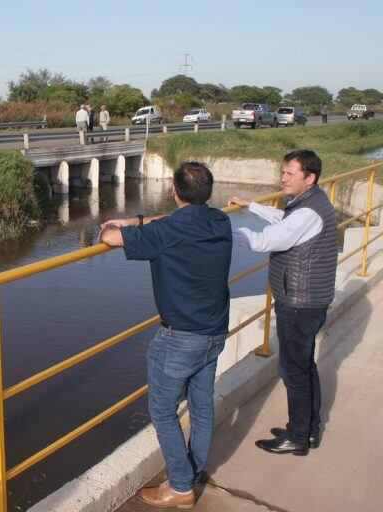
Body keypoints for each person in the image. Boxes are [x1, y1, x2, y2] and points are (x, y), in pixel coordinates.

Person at [100, 162, 232, 508]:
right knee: (202, 407)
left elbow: (109, 238)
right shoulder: (221, 220)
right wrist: (138, 221)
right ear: (208, 192)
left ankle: (180, 486)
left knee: (162, 412)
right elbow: (172, 223)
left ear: (175, 193)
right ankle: (192, 472)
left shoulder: (168, 231)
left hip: (180, 338)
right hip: (215, 331)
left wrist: (120, 226)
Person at [229, 149, 337, 456]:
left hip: (299, 304)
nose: (283, 178)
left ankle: (297, 436)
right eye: (283, 172)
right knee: (304, 367)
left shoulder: (307, 212)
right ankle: (310, 430)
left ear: (309, 177)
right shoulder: (311, 202)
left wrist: (222, 229)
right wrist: (252, 206)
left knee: (294, 370)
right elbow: (284, 219)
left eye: (290, 173)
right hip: (309, 300)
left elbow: (266, 240)